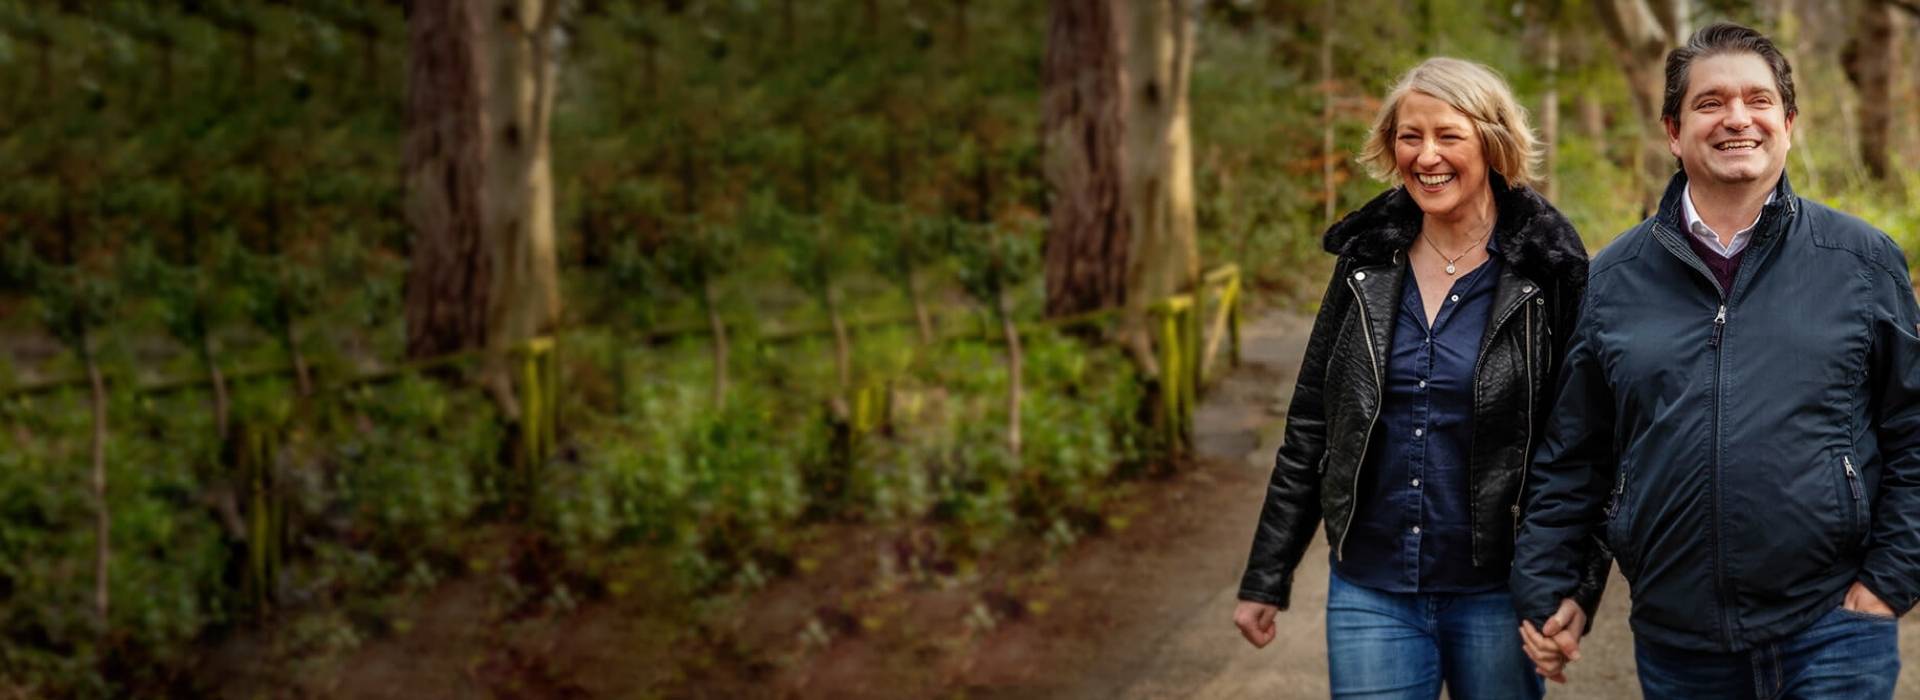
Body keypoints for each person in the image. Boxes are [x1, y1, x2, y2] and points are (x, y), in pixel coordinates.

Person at [1511, 22, 1920, 698]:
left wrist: (1890, 581)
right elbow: (1575, 455)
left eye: (1759, 101)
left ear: (1788, 124)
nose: (1737, 118)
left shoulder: (1862, 261)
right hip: (1680, 640)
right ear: (1674, 132)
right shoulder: (1615, 277)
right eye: (1711, 103)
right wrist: (1553, 585)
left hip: (1833, 628)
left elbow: (1911, 430)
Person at [1232, 57, 1607, 699]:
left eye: (1448, 135)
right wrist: (1267, 575)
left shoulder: (1548, 268)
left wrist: (1578, 583)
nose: (1426, 155)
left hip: (1499, 590)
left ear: (1491, 143)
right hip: (1370, 588)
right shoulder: (1366, 260)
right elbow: (1312, 424)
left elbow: (1588, 442)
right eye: (1410, 136)